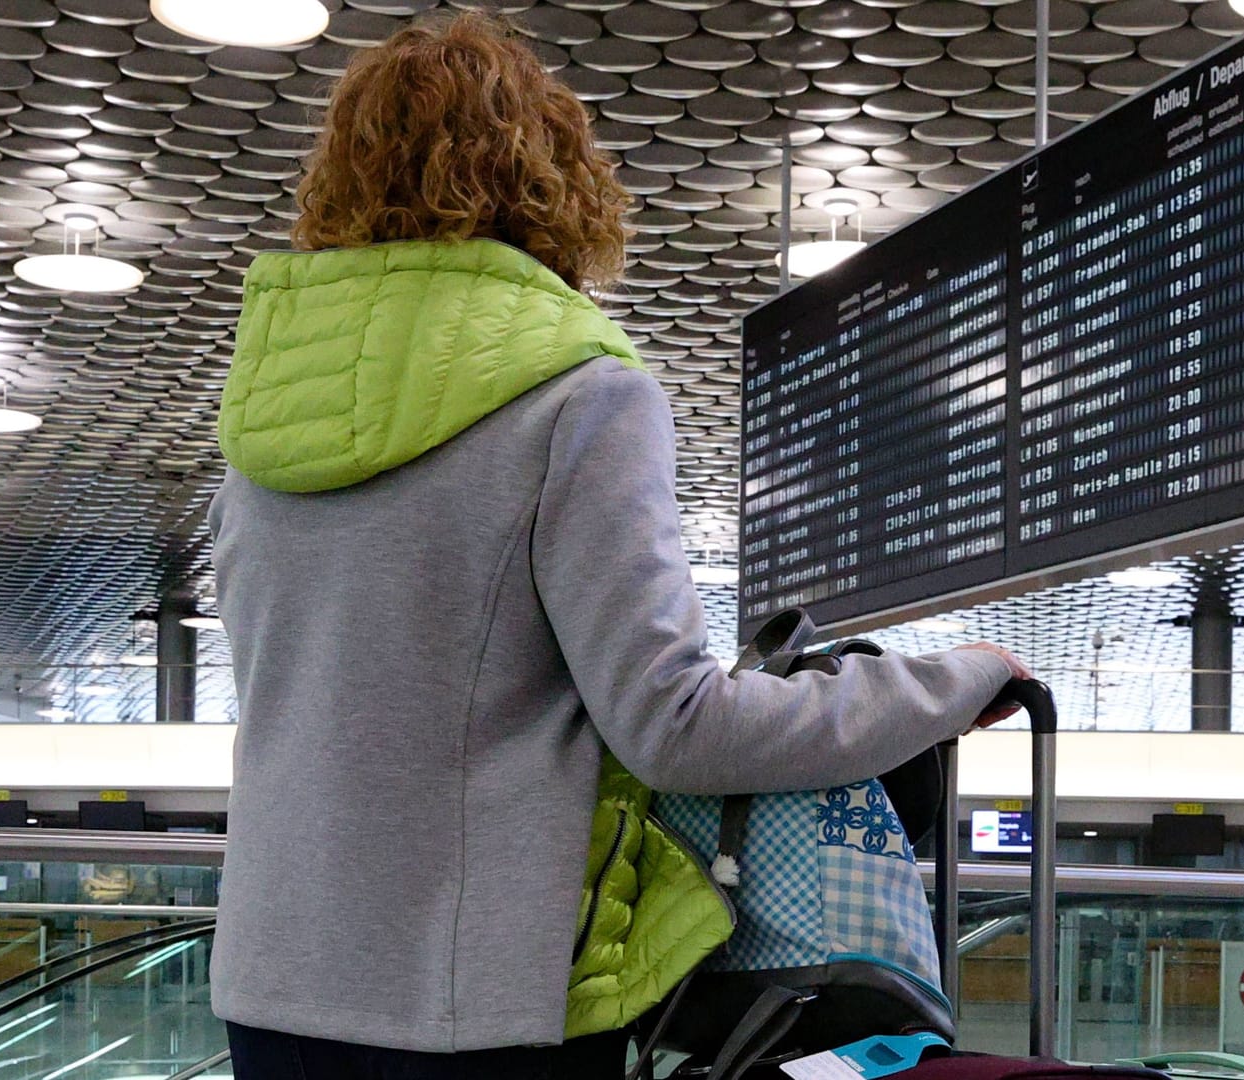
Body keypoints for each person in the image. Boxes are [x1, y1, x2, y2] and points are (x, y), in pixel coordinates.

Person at [206, 13, 1030, 1079]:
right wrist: (949, 684)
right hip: (482, 1011)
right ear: (550, 177)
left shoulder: (264, 416)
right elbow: (675, 724)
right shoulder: (578, 397)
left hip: (273, 990)